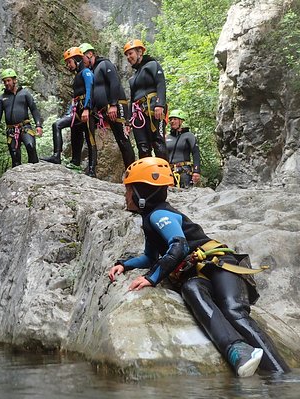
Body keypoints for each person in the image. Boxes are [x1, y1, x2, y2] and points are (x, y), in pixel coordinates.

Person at [108, 157, 290, 377]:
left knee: (234, 312)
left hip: (220, 265)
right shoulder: (150, 219)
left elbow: (179, 245)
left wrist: (151, 279)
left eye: (128, 191)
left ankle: (280, 376)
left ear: (140, 193)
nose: (125, 196)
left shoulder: (160, 214)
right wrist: (124, 265)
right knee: (191, 290)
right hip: (198, 275)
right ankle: (238, 350)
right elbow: (149, 256)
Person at [79, 42, 135, 172]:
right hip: (106, 110)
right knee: (119, 140)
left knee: (123, 141)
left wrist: (114, 104)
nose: (82, 62)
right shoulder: (92, 71)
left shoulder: (105, 64)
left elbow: (115, 81)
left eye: (83, 59)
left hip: (117, 106)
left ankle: (133, 172)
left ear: (90, 54)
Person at [41, 46, 97, 175]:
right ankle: (64, 158)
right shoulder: (78, 75)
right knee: (68, 130)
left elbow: (90, 89)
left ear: (77, 60)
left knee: (90, 139)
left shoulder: (86, 73)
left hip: (86, 110)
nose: (67, 65)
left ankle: (92, 169)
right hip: (77, 111)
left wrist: (87, 109)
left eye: (69, 62)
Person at [0, 69, 44, 167]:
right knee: (15, 156)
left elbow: (34, 109)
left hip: (25, 127)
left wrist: (38, 125)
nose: (6, 83)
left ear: (14, 80)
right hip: (11, 131)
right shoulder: (2, 98)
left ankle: (35, 172)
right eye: (4, 81)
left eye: (8, 80)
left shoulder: (25, 93)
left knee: (30, 146)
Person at [124, 39, 168, 160]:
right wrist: (128, 122)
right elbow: (132, 100)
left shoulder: (152, 65)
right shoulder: (133, 77)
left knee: (158, 142)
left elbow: (161, 84)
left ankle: (165, 175)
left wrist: (160, 105)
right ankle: (147, 175)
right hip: (138, 114)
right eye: (126, 55)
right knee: (142, 146)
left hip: (153, 108)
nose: (128, 57)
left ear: (140, 52)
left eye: (130, 53)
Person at [165, 109, 201, 188]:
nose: (172, 121)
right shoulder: (167, 137)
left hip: (184, 171)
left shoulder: (188, 136)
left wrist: (196, 171)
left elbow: (196, 153)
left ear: (181, 121)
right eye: (171, 119)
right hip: (169, 172)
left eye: (175, 119)